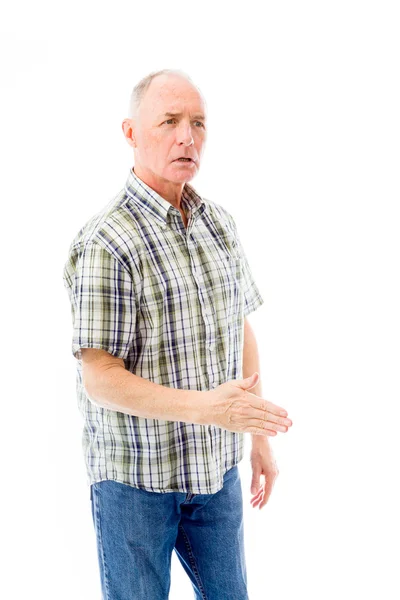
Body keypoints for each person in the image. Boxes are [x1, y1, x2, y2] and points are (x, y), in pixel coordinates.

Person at [63, 68, 292, 600]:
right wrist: (208, 408)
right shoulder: (106, 241)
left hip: (215, 474)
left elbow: (240, 327)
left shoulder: (219, 224)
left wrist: (256, 436)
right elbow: (101, 379)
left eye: (198, 123)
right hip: (134, 483)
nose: (186, 136)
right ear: (131, 133)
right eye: (168, 121)